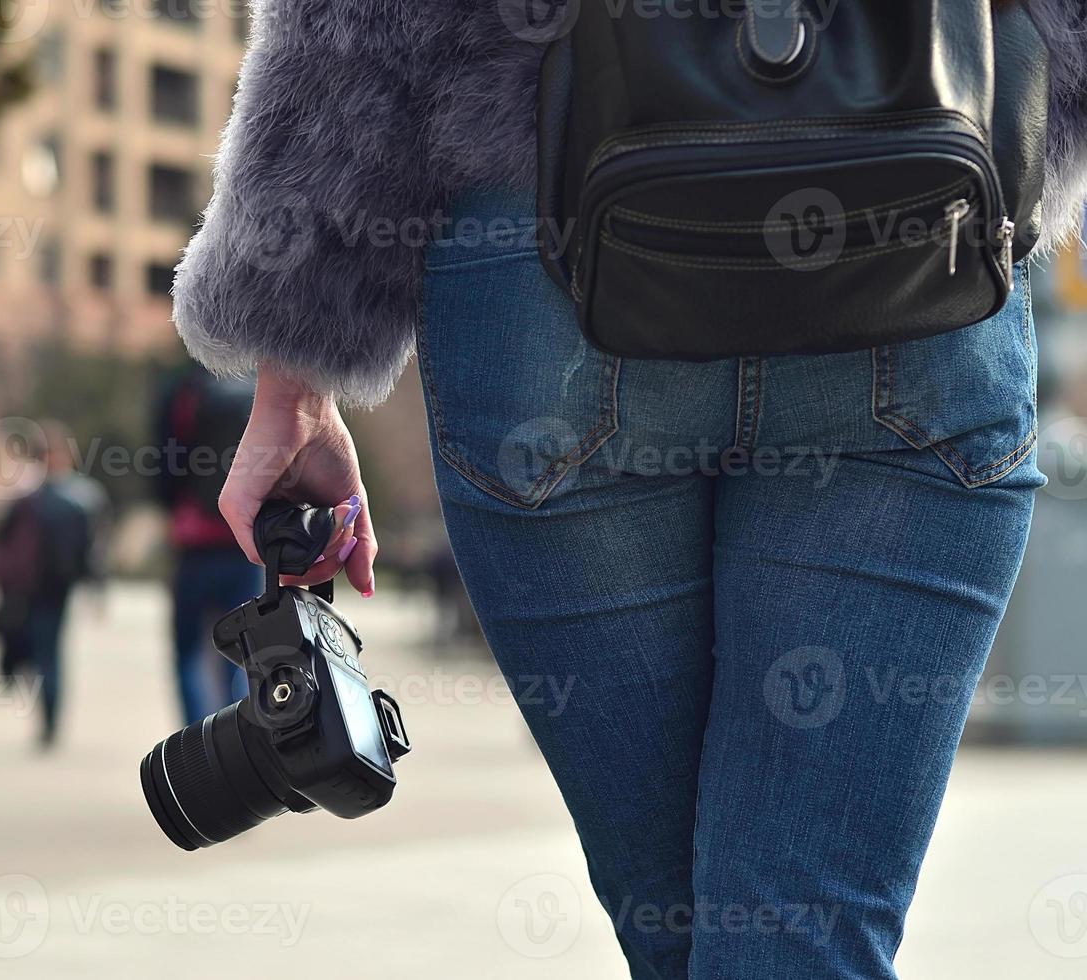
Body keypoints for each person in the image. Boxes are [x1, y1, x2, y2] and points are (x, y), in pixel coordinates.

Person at [169, 4, 1087, 977]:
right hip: (923, 213)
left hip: (549, 259)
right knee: (798, 934)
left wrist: (296, 365)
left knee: (682, 930)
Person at [152, 365, 268, 723]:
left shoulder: (183, 390)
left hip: (194, 541)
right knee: (245, 652)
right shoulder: (257, 389)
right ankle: (242, 736)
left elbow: (165, 465)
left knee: (187, 651)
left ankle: (197, 739)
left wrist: (172, 506)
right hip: (246, 542)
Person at [0, 420, 106, 748]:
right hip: (38, 587)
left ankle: (48, 716)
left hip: (46, 587)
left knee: (44, 651)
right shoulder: (57, 498)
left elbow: (90, 549)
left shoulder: (57, 498)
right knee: (46, 651)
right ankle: (48, 716)